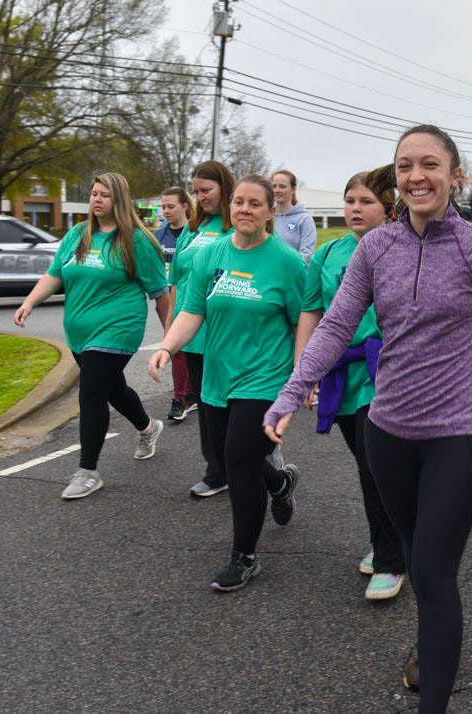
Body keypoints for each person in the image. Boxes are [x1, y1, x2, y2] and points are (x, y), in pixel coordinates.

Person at [263, 125, 472, 713]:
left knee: (434, 575)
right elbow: (335, 325)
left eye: (431, 164)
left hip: (458, 440)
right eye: (406, 165)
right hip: (388, 435)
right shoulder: (374, 249)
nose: (417, 176)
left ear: (455, 176)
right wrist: (292, 392)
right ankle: (432, 647)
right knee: (418, 559)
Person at [149, 174, 307, 592]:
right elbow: (191, 311)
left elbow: (302, 325)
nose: (244, 210)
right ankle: (281, 482)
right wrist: (167, 347)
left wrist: (300, 383)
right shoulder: (211, 254)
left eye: (256, 204)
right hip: (219, 377)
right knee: (235, 456)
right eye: (239, 202)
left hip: (265, 378)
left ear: (271, 212)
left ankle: (245, 557)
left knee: (237, 459)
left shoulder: (288, 264)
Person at [14, 172, 169, 499]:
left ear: (119, 200)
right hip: (79, 331)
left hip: (118, 329)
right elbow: (55, 273)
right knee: (113, 390)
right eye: (94, 194)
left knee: (91, 395)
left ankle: (88, 471)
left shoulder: (137, 242)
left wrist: (170, 341)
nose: (97, 200)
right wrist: (29, 302)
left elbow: (160, 293)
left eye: (105, 195)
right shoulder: (77, 235)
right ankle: (148, 428)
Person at [296, 165, 405, 600]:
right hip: (341, 372)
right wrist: (305, 372)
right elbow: (311, 314)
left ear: (388, 209)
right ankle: (387, 540)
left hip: (389, 371)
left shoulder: (403, 248)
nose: (355, 209)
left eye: (366, 202)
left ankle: (392, 558)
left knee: (375, 462)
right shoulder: (328, 255)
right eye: (350, 200)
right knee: (367, 462)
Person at [177, 161, 236, 498]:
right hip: (192, 335)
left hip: (224, 334)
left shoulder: (233, 228)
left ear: (223, 188)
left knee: (232, 407)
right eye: (196, 191)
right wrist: (171, 326)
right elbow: (179, 278)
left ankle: (258, 467)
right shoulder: (193, 227)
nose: (200, 197)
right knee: (207, 406)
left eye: (206, 191)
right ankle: (217, 471)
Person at [155, 187, 196, 422]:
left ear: (184, 206)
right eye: (164, 207)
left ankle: (189, 393)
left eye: (171, 206)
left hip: (192, 296)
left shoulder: (194, 233)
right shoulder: (158, 236)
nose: (166, 211)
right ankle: (181, 396)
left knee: (192, 348)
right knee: (175, 347)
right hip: (167, 297)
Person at [272, 169, 317, 265]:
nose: (277, 190)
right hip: (269, 275)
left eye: (282, 186)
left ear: (293, 189)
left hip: (293, 275)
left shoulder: (304, 219)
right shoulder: (267, 217)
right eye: (274, 186)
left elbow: (306, 255)